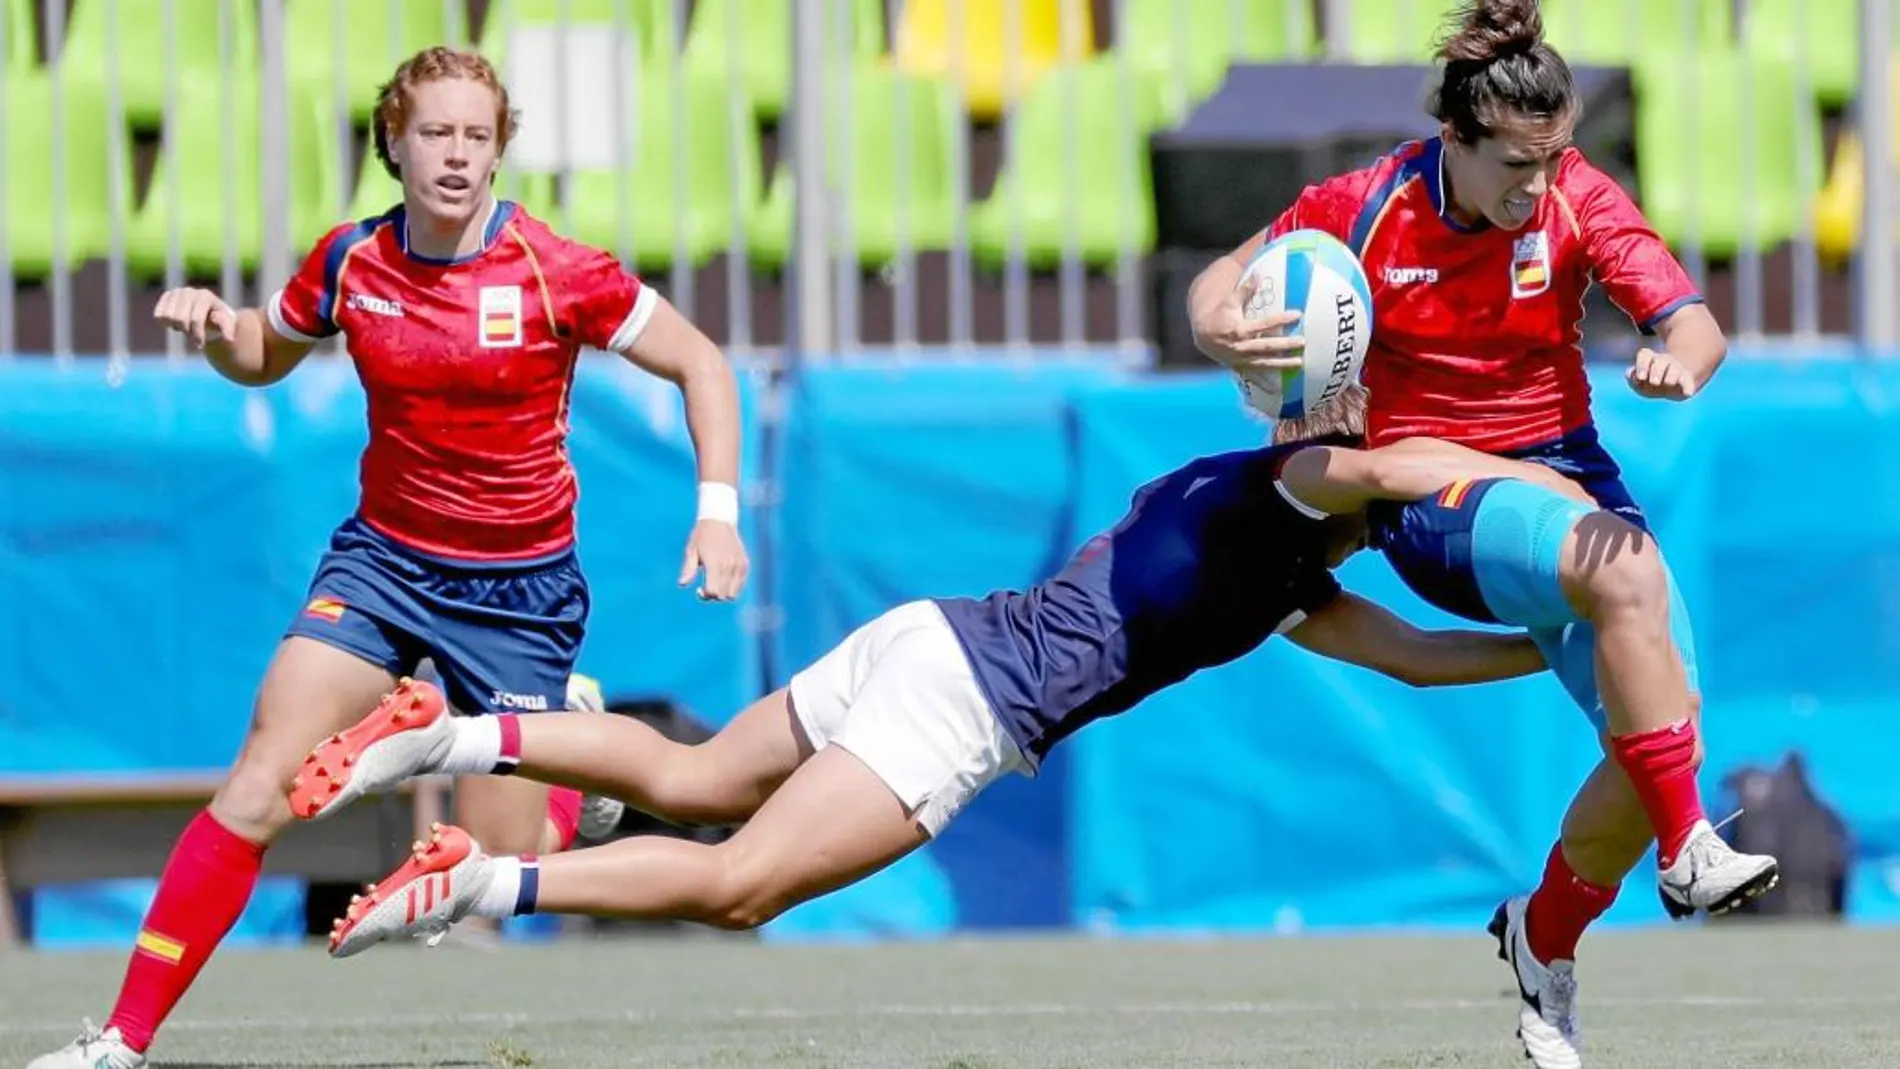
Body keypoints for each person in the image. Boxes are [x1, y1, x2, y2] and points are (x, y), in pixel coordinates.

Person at [28, 47, 747, 1069]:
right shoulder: (350, 262)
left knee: (496, 866)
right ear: (393, 144)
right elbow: (259, 354)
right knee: (258, 784)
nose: (457, 156)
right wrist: (216, 329)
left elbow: (700, 362)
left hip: (517, 596)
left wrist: (716, 513)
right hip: (382, 567)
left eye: (477, 137)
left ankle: (564, 779)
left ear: (499, 152)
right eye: (436, 134)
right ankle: (119, 1042)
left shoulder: (554, 268)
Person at [289, 391, 1585, 957]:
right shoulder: (1294, 489)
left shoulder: (1282, 573)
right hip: (964, 703)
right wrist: (1524, 480)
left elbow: (1413, 661)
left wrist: (1546, 645)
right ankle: (484, 878)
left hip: (927, 638)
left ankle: (449, 737)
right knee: (740, 886)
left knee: (692, 776)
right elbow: (1381, 470)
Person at [1185, 3, 1773, 1065]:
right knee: (1636, 600)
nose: (1536, 185)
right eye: (1512, 162)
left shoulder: (1575, 198)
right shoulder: (1362, 205)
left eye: (1550, 160)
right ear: (1451, 140)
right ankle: (1691, 849)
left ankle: (1540, 944)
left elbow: (1693, 322)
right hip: (1432, 498)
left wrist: (1681, 359)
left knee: (1656, 744)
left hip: (1565, 472)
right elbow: (1219, 279)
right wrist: (1213, 318)